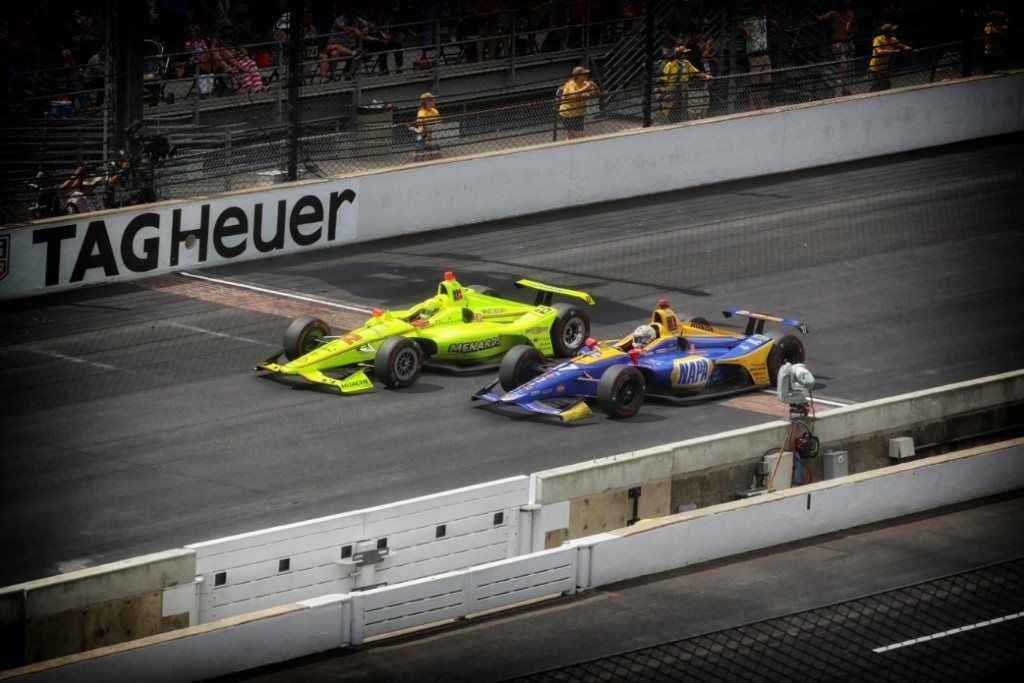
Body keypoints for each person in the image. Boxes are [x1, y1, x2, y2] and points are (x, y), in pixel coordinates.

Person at [738, 3, 777, 110]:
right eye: (763, 9)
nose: (765, 11)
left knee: (767, 78)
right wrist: (746, 30)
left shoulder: (766, 18)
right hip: (754, 51)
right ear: (759, 10)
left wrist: (773, 22)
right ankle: (752, 103)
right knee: (755, 78)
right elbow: (740, 23)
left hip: (764, 51)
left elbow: (775, 25)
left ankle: (762, 102)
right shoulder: (752, 20)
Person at [817, 0, 858, 96]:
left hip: (848, 41)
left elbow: (855, 26)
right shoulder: (834, 13)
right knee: (843, 67)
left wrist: (851, 31)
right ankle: (840, 89)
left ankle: (846, 89)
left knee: (850, 66)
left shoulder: (850, 14)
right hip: (839, 43)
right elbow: (821, 18)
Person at [659, 45, 708, 123]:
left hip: (683, 89)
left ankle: (679, 121)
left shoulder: (686, 63)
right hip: (673, 89)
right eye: (684, 53)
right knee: (669, 107)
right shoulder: (670, 65)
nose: (686, 55)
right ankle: (667, 122)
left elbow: (695, 72)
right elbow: (663, 79)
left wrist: (706, 76)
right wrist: (662, 89)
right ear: (679, 54)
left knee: (682, 106)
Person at [869, 23, 912, 92]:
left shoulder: (893, 39)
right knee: (875, 88)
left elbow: (901, 46)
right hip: (875, 68)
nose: (894, 32)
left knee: (886, 86)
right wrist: (893, 51)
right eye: (892, 31)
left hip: (885, 68)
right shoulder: (878, 39)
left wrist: (909, 48)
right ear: (886, 32)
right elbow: (878, 51)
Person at [559, 65, 597, 140]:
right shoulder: (571, 84)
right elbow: (574, 95)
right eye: (584, 74)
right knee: (580, 136)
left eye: (587, 74)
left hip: (579, 112)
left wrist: (593, 88)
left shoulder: (585, 83)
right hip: (569, 112)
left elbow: (594, 92)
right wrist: (587, 88)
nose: (587, 76)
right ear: (578, 76)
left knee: (571, 136)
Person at [415, 92, 442, 161]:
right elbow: (422, 125)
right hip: (425, 135)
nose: (434, 101)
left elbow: (438, 123)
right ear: (427, 101)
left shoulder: (434, 111)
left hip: (433, 134)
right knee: (428, 153)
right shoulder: (421, 112)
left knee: (436, 153)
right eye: (432, 100)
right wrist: (426, 134)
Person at [983, 10, 1009, 75]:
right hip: (991, 43)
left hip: (996, 43)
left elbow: (1005, 29)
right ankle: (989, 70)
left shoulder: (998, 25)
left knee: (997, 55)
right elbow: (989, 33)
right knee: (990, 55)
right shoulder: (989, 26)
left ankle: (995, 68)